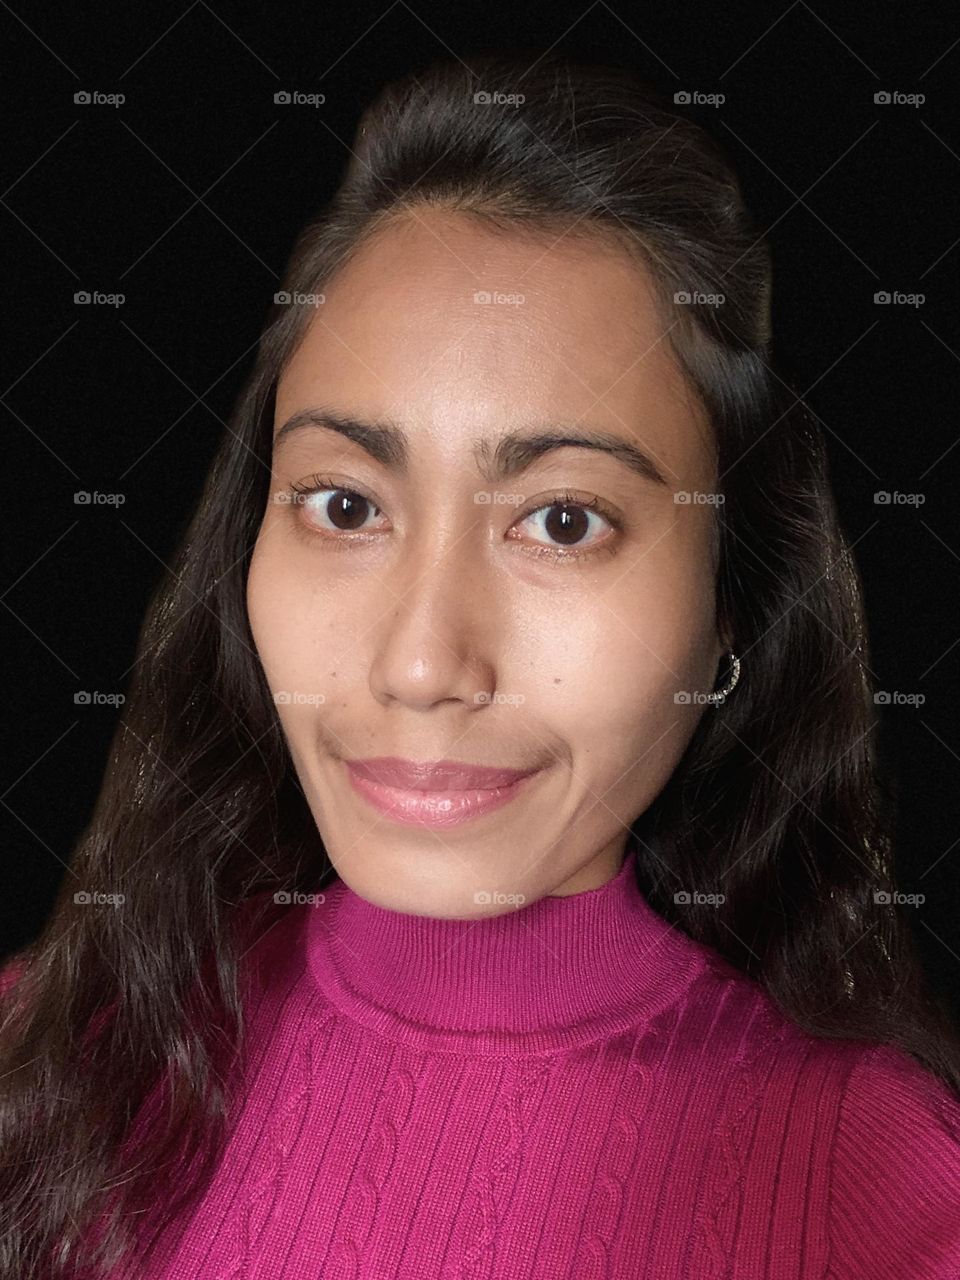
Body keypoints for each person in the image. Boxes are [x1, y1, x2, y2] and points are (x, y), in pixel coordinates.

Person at [2, 51, 959, 1280]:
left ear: (732, 606)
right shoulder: (54, 1044)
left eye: (563, 520)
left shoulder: (882, 1177)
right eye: (344, 504)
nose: (419, 662)